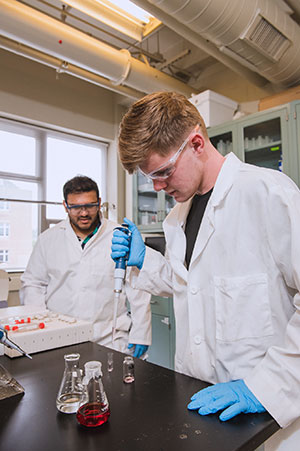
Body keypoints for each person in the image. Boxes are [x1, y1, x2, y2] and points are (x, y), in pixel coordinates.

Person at [111, 91, 300, 449]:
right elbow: (191, 286)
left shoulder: (268, 193)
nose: (157, 187)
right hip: (201, 404)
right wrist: (144, 260)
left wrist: (267, 387)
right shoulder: (176, 217)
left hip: (271, 418)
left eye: (163, 172)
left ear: (196, 142)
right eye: (150, 177)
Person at [20, 176, 151, 358]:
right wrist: (41, 331)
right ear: (65, 206)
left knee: (112, 385)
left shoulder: (120, 236)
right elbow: (33, 284)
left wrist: (141, 333)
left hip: (109, 338)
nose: (83, 213)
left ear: (99, 203)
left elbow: (138, 288)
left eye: (90, 205)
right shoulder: (47, 239)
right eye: (75, 207)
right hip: (58, 339)